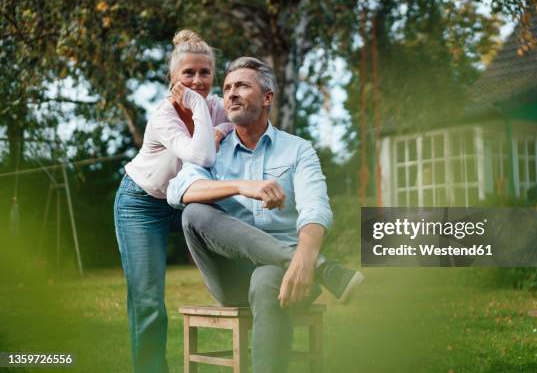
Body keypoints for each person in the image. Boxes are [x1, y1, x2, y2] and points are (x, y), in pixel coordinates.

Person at [167, 56, 364, 373]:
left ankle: (303, 264)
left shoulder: (298, 150)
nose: (231, 93)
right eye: (227, 87)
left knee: (266, 281)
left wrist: (303, 259)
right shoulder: (212, 146)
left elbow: (316, 208)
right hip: (229, 274)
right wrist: (243, 186)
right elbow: (179, 191)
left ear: (267, 97)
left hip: (289, 274)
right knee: (194, 214)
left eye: (242, 85)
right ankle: (325, 269)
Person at [114, 29, 232, 373]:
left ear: (213, 74)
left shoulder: (217, 108)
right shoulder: (164, 117)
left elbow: (245, 123)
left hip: (185, 199)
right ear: (174, 78)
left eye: (205, 73)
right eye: (189, 73)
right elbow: (202, 156)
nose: (198, 80)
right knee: (148, 299)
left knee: (241, 230)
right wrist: (198, 108)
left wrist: (221, 129)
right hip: (141, 204)